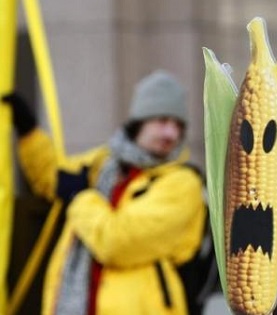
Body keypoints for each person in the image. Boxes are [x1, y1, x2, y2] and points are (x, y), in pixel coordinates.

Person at [2, 70, 207, 315]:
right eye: (162, 121)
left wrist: (80, 198)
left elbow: (117, 242)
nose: (171, 134)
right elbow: (52, 180)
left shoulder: (183, 183)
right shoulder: (106, 164)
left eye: (178, 126)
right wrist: (29, 132)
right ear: (139, 121)